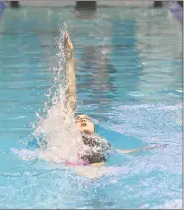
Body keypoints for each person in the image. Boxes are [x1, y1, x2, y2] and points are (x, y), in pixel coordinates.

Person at [63, 32, 161, 170]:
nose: (83, 120)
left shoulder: (102, 143)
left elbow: (120, 152)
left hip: (100, 170)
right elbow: (71, 94)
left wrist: (146, 148)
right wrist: (70, 59)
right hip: (76, 169)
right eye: (78, 119)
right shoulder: (69, 138)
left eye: (86, 118)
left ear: (94, 127)